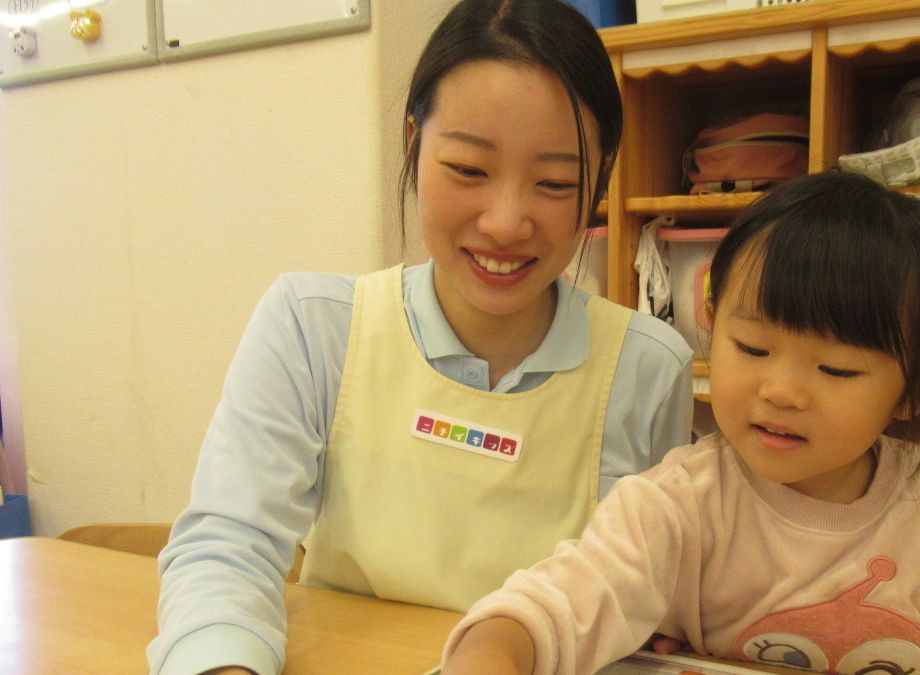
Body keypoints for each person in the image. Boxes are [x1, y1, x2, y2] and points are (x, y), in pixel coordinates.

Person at [441, 172, 920, 674]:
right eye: (751, 345)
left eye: (835, 370)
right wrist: (496, 650)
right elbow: (568, 598)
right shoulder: (678, 501)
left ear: (915, 389)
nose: (780, 390)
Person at [148, 1, 694, 673]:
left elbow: (644, 606)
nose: (504, 221)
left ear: (598, 183)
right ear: (413, 143)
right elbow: (227, 545)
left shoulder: (646, 369)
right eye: (468, 169)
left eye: (554, 182)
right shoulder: (313, 326)